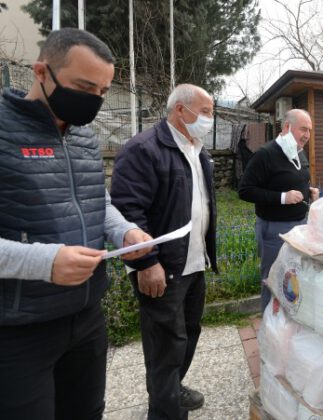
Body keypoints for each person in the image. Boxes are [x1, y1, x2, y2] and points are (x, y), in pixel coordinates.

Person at [0, 28, 153, 419]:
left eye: (102, 92)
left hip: (86, 317)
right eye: (84, 87)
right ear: (41, 72)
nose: (94, 101)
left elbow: (96, 202)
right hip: (19, 329)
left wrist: (125, 231)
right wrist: (45, 262)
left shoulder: (84, 137)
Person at [110, 84, 218, 419]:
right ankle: (165, 409)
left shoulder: (197, 150)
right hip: (163, 266)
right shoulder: (144, 149)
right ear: (180, 110)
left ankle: (171, 389)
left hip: (193, 261)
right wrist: (146, 262)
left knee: (187, 334)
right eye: (206, 112)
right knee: (164, 345)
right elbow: (128, 211)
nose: (210, 120)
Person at [238, 109, 319, 311]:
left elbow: (294, 179)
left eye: (309, 130)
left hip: (299, 226)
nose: (307, 135)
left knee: (294, 278)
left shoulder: (298, 152)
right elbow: (245, 190)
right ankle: (269, 327)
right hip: (275, 230)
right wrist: (283, 198)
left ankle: (287, 325)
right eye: (303, 129)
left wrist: (308, 192)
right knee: (273, 279)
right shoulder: (265, 154)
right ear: (286, 127)